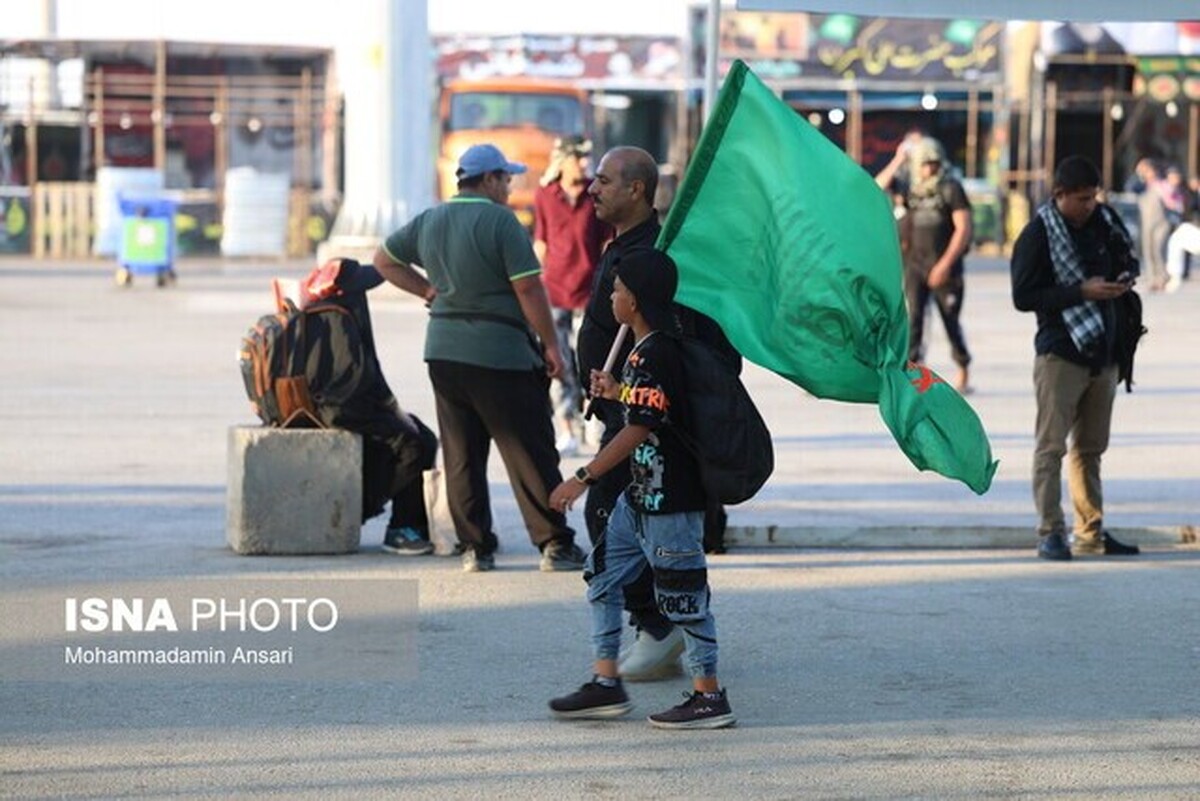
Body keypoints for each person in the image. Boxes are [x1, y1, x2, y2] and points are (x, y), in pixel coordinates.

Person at [372, 143, 587, 574]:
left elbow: (384, 261)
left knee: (462, 454)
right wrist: (551, 345)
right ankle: (554, 544)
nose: (509, 187)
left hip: (444, 354)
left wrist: (428, 291)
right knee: (528, 450)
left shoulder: (431, 219)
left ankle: (475, 548)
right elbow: (528, 289)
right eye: (505, 179)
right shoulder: (500, 223)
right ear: (488, 180)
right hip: (501, 353)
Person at [547, 249, 735, 729]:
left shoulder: (656, 351)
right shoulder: (645, 350)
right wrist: (616, 392)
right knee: (604, 576)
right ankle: (606, 682)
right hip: (640, 497)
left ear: (635, 300)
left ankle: (708, 696)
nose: (611, 297)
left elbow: (638, 428)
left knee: (684, 599)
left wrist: (582, 477)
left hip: (671, 501)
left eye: (616, 290)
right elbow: (653, 405)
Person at [575, 146, 685, 680]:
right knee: (634, 518)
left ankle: (658, 626)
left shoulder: (654, 255)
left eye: (604, 181)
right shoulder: (621, 244)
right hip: (617, 404)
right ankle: (668, 624)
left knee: (605, 510)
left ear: (636, 189)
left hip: (638, 408)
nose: (592, 189)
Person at [1010, 155, 1141, 561]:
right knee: (1051, 448)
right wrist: (1080, 292)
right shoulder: (1037, 234)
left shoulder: (1105, 222)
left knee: (1090, 450)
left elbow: (1128, 259)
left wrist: (1121, 281)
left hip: (1103, 351)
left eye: (1093, 197)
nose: (1089, 205)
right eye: (1082, 198)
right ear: (1059, 195)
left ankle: (1091, 531)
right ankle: (1050, 531)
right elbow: (1023, 296)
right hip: (1060, 353)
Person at [533, 135, 611, 456]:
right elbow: (541, 242)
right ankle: (566, 426)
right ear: (563, 160)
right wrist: (531, 286)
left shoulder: (597, 193)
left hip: (589, 293)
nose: (584, 163)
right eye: (578, 157)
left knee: (591, 359)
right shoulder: (545, 195)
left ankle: (595, 417)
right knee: (558, 361)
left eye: (586, 157)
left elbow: (608, 242)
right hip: (554, 293)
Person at [888, 137, 974, 392]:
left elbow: (963, 229)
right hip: (915, 265)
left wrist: (945, 264)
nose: (930, 169)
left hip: (944, 267)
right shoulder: (910, 190)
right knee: (913, 320)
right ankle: (913, 374)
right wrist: (898, 159)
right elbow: (877, 185)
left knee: (950, 321)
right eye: (924, 164)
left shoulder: (951, 189)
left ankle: (963, 367)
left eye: (934, 163)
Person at [1134, 158, 1171, 291]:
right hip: (1146, 223)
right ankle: (1152, 279)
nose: (1146, 173)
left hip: (1160, 222)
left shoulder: (1161, 184)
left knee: (1158, 250)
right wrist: (1138, 172)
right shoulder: (1140, 185)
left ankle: (1162, 277)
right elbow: (1131, 187)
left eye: (1147, 170)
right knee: (1148, 251)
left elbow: (1171, 199)